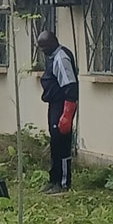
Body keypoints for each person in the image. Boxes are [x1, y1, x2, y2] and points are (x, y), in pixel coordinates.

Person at [37, 30, 80, 193]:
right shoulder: (52, 56)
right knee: (55, 142)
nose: (43, 50)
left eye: (44, 46)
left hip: (63, 105)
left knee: (62, 144)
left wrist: (67, 115)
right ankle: (53, 179)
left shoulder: (61, 58)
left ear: (53, 42)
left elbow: (70, 87)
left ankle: (63, 182)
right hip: (55, 104)